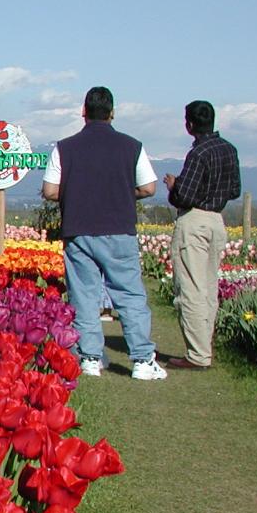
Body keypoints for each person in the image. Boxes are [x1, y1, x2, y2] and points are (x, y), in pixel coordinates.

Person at [41, 86, 166, 380]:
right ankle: (142, 360)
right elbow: (149, 187)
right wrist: (122, 192)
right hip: (119, 229)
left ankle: (89, 358)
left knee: (84, 295)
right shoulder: (132, 146)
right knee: (129, 294)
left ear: (83, 112)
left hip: (78, 229)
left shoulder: (64, 147)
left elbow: (49, 190)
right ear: (113, 113)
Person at [162, 100, 241, 370]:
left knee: (191, 289)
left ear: (189, 125)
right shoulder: (229, 150)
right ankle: (205, 347)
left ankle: (197, 355)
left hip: (194, 220)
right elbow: (234, 190)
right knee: (208, 288)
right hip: (217, 220)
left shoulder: (198, 154)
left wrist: (174, 186)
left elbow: (185, 195)